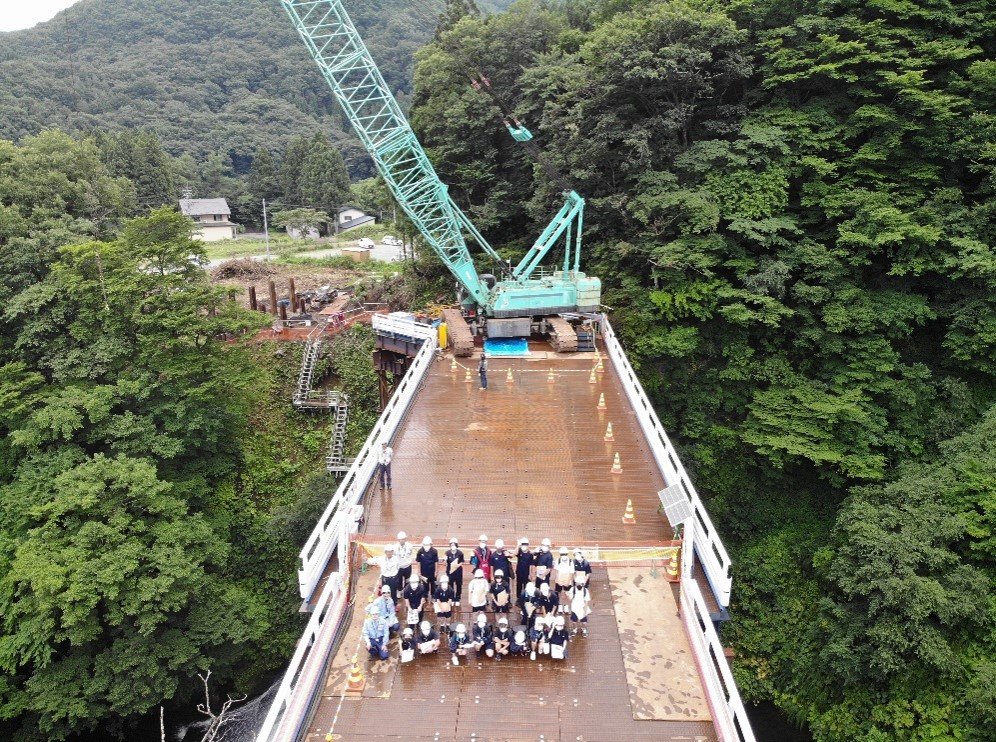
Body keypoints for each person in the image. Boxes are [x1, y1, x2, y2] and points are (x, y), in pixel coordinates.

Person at [568, 572, 592, 636]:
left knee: (584, 622)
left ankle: (584, 629)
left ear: (583, 584)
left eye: (580, 584)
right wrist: (568, 595)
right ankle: (574, 629)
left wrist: (585, 610)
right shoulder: (572, 589)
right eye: (577, 583)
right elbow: (570, 599)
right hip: (574, 608)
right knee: (574, 621)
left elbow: (586, 601)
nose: (578, 585)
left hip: (582, 608)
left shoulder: (585, 591)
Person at [554, 546, 575, 610]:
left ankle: (566, 606)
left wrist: (568, 581)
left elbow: (572, 573)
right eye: (562, 554)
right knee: (559, 593)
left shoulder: (570, 561)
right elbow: (556, 571)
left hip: (567, 580)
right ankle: (560, 606)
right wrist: (557, 580)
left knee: (567, 594)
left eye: (565, 554)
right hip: (559, 580)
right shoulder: (558, 560)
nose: (564, 556)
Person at [445, 538, 465, 604]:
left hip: (458, 571)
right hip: (450, 571)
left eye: (454, 544)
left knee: (459, 584)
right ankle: (452, 596)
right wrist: (445, 561)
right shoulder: (447, 553)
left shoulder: (460, 553)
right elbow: (445, 562)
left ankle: (458, 596)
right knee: (450, 584)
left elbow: (462, 561)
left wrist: (458, 565)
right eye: (451, 544)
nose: (453, 545)